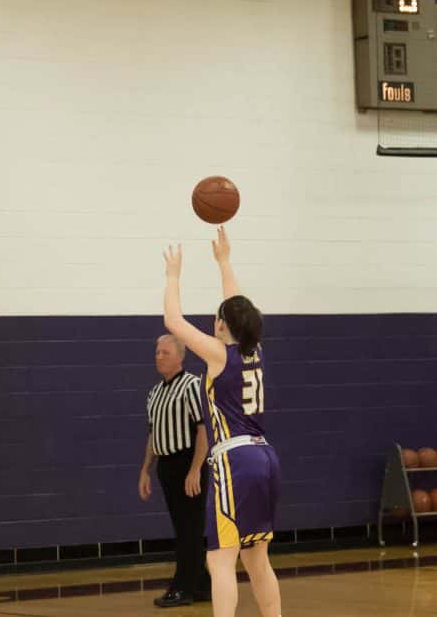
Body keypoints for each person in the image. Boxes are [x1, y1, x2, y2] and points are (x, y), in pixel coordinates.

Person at [161, 228, 282, 617]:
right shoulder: (254, 349)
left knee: (219, 559)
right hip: (265, 458)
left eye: (218, 316)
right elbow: (236, 307)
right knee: (257, 558)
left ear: (221, 325)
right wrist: (224, 261)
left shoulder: (219, 355)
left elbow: (173, 320)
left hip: (235, 462)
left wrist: (173, 275)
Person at [139, 334, 211, 607]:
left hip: (188, 462)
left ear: (180, 356)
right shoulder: (154, 393)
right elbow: (153, 435)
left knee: (189, 529)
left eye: (165, 353)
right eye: (157, 352)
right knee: (183, 527)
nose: (159, 357)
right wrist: (146, 469)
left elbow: (204, 430)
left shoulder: (192, 386)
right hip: (166, 466)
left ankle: (182, 588)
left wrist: (195, 469)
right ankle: (202, 585)